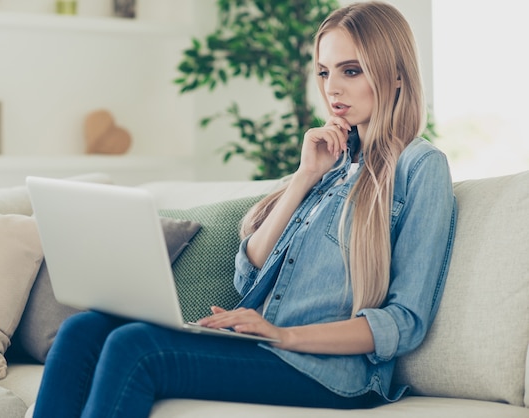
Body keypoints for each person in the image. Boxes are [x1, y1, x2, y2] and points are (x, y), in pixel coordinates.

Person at [32, 2, 457, 417]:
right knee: (81, 330)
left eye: (351, 70)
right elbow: (247, 274)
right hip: (265, 345)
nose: (331, 88)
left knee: (136, 348)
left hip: (331, 371)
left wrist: (283, 334)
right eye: (324, 72)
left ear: (396, 75)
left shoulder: (420, 168)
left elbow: (405, 321)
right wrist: (304, 177)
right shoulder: (328, 164)